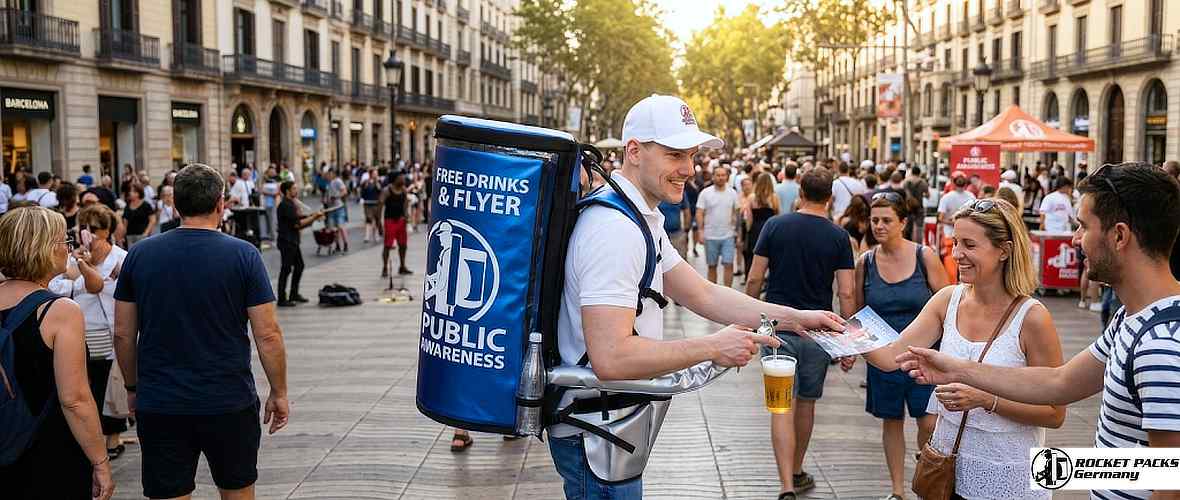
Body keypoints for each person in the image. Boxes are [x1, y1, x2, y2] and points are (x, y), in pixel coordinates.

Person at [551, 95, 843, 499]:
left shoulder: (638, 218)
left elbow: (702, 293)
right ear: (633, 151)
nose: (688, 169)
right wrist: (712, 346)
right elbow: (611, 356)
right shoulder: (614, 230)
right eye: (675, 155)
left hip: (611, 426)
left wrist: (797, 318)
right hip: (595, 432)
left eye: (690, 155)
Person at [899, 163, 1180, 500]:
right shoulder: (1129, 319)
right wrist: (957, 369)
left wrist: (1020, 477)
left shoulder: (1161, 344)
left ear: (1119, 236)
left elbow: (1170, 484)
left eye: (1082, 226)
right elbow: (1058, 382)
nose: (1075, 239)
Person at [851, 198, 1064, 499]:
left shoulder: (1032, 318)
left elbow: (1054, 413)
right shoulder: (947, 300)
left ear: (1004, 250)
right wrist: (839, 333)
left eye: (969, 245)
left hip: (1008, 477)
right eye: (955, 243)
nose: (956, 254)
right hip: (946, 471)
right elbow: (890, 356)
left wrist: (986, 400)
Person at [113, 164, 290, 500]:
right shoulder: (244, 255)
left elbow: (122, 333)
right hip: (228, 399)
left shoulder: (140, 255)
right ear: (221, 204)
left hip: (161, 400)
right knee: (237, 490)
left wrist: (133, 386)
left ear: (175, 205)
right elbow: (268, 335)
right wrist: (279, 392)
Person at [744, 166, 856, 500]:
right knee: (806, 403)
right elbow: (846, 292)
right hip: (818, 333)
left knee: (781, 407)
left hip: (777, 330)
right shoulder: (838, 236)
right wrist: (848, 341)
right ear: (830, 198)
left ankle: (786, 485)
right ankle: (797, 469)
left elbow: (754, 277)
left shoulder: (775, 226)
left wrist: (746, 319)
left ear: (801, 193)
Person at [0, 206, 116, 500]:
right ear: (45, 248)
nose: (68, 248)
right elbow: (75, 399)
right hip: (47, 453)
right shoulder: (59, 311)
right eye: (64, 240)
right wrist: (100, 461)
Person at [854, 193, 949, 500]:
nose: (879, 226)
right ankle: (897, 490)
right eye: (874, 220)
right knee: (891, 421)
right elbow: (858, 313)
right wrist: (850, 349)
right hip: (884, 358)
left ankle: (926, 479)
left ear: (903, 223)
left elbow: (950, 303)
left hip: (925, 357)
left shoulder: (925, 256)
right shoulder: (865, 262)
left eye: (886, 220)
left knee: (929, 422)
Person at [48, 204, 132, 460]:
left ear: (107, 230)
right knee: (88, 388)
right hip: (81, 330)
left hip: (111, 330)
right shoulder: (71, 257)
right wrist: (80, 271)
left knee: (111, 387)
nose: (89, 234)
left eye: (95, 229)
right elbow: (55, 286)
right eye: (84, 228)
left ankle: (113, 438)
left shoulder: (121, 257)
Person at [276, 180, 324, 307]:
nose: (296, 191)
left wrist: (313, 216)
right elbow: (297, 224)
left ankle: (294, 294)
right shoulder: (285, 205)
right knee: (286, 269)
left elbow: (299, 219)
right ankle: (282, 298)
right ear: (287, 191)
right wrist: (313, 218)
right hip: (287, 241)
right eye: (294, 189)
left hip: (293, 240)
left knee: (299, 266)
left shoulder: (291, 203)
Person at [695, 165, 739, 286]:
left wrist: (737, 230)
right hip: (710, 236)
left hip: (728, 235)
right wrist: (700, 231)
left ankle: (728, 291)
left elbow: (737, 212)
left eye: (723, 175)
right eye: (718, 175)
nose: (721, 178)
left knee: (729, 264)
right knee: (712, 266)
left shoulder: (732, 193)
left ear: (727, 177)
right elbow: (699, 212)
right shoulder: (705, 193)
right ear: (713, 177)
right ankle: (713, 292)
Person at [938, 174, 977, 282]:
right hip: (969, 235)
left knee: (951, 261)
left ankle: (952, 284)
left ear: (953, 183)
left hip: (950, 235)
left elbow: (940, 218)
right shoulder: (971, 196)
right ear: (966, 183)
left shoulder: (946, 197)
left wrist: (954, 222)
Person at [742, 172, 779, 277]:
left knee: (753, 255)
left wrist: (747, 232)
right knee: (771, 255)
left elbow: (749, 218)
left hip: (756, 229)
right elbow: (778, 215)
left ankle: (752, 276)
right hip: (771, 229)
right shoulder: (774, 197)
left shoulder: (751, 198)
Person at [379, 173, 412, 277]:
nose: (403, 179)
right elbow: (380, 205)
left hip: (401, 220)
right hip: (390, 220)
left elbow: (406, 202)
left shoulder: (403, 190)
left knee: (403, 245)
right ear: (395, 179)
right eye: (400, 178)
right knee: (387, 245)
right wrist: (379, 223)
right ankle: (385, 267)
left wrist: (406, 215)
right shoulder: (386, 191)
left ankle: (402, 266)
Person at [117, 184, 155, 248]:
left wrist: (146, 232)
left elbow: (152, 220)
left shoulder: (146, 205)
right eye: (130, 191)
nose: (130, 193)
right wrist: (122, 236)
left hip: (142, 235)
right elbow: (125, 223)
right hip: (130, 236)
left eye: (133, 191)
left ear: (139, 193)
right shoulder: (127, 206)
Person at [324, 169, 350, 252]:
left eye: (329, 174)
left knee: (340, 226)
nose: (328, 176)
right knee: (333, 228)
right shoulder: (329, 183)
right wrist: (325, 200)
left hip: (339, 207)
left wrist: (336, 196)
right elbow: (327, 194)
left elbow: (345, 191)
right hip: (330, 208)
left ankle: (345, 244)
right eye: (327, 174)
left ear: (333, 174)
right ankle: (337, 245)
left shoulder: (338, 181)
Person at [360, 168, 384, 244]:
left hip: (377, 203)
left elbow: (380, 190)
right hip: (368, 203)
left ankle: (376, 235)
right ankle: (367, 236)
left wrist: (377, 182)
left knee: (377, 220)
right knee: (369, 219)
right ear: (370, 174)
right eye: (374, 173)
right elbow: (362, 192)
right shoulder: (365, 182)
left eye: (376, 174)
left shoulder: (379, 182)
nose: (376, 175)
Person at [259, 167, 281, 241]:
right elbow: (261, 190)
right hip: (266, 202)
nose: (272, 173)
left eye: (273, 172)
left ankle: (273, 235)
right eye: (270, 172)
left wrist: (272, 193)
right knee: (267, 219)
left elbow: (279, 191)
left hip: (275, 203)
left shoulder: (278, 179)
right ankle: (268, 234)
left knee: (273, 219)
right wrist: (271, 193)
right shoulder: (264, 180)